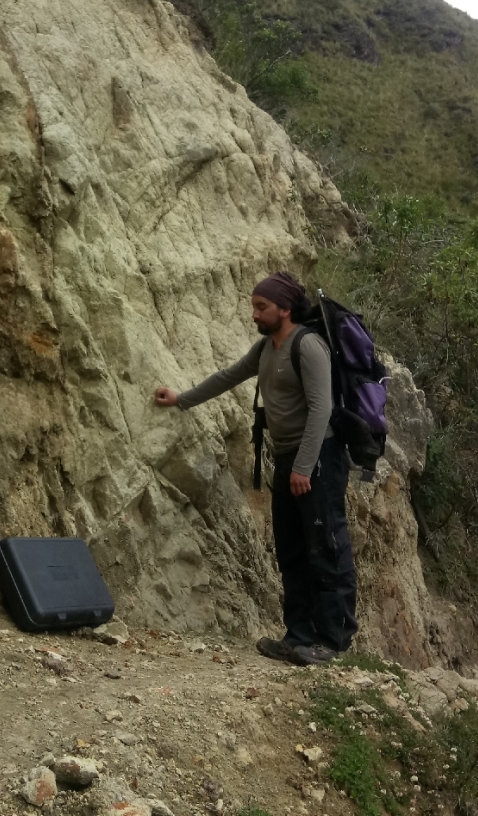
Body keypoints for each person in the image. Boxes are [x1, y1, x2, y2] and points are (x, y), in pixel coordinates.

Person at [154, 272, 356, 666]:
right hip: (287, 459)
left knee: (326, 547)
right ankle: (297, 636)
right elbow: (229, 376)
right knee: (291, 549)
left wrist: (304, 466)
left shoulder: (308, 346)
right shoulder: (266, 347)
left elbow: (322, 411)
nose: (254, 314)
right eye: (253, 306)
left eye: (261, 307)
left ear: (284, 308)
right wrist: (181, 399)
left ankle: (330, 643)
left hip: (318, 460)